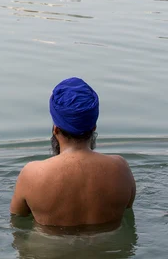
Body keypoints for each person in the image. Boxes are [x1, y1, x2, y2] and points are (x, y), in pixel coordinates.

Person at [10, 77, 136, 228]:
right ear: (94, 127)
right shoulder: (121, 169)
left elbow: (17, 220)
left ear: (56, 129)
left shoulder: (32, 174)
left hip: (48, 249)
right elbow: (128, 210)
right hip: (112, 248)